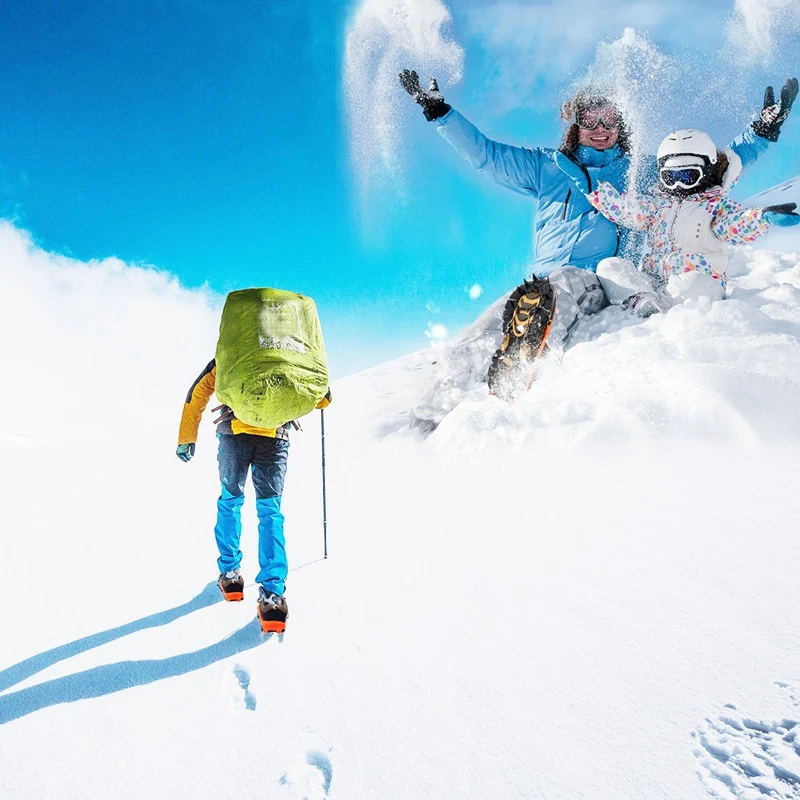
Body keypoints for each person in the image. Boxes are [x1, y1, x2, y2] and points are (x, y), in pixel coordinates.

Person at [399, 71, 798, 406]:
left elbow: (709, 165)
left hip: (599, 280)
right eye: (591, 121)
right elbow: (486, 154)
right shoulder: (547, 167)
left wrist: (762, 131)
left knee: (562, 285)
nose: (601, 130)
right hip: (539, 286)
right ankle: (438, 398)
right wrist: (439, 112)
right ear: (576, 125)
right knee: (492, 324)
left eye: (610, 121)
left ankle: (522, 372)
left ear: (622, 125)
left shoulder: (638, 170)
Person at [555, 128, 800, 315]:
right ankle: (642, 301)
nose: (678, 185)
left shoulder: (715, 207)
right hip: (655, 282)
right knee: (610, 265)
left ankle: (664, 307)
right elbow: (625, 210)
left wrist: (763, 218)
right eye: (670, 177)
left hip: (697, 283)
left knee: (694, 283)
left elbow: (737, 224)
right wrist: (592, 189)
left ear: (707, 171)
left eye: (687, 176)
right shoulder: (657, 204)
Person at [176, 359, 331, 634]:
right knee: (270, 512)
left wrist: (186, 437)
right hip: (276, 436)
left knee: (230, 502)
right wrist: (323, 395)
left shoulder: (235, 348)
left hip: (234, 432)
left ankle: (230, 576)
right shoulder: (290, 350)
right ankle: (272, 597)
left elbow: (198, 390)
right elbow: (320, 397)